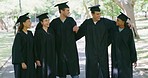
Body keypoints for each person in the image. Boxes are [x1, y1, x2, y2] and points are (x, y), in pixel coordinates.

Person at [76, 5, 115, 78]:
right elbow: (79, 33)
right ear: (92, 14)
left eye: (100, 13)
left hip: (102, 50)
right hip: (91, 51)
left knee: (103, 68)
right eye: (97, 14)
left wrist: (127, 24)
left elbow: (116, 25)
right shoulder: (87, 23)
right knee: (91, 69)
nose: (99, 15)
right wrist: (74, 31)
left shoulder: (105, 22)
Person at [50, 2, 80, 78]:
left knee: (74, 73)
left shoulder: (71, 21)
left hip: (71, 51)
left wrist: (76, 31)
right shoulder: (54, 22)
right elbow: (51, 36)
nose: (69, 12)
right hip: (60, 51)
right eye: (67, 10)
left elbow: (76, 36)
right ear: (61, 11)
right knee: (61, 72)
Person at [111, 12, 137, 78]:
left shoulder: (128, 32)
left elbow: (132, 45)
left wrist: (134, 59)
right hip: (116, 56)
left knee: (126, 74)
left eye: (118, 20)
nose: (116, 21)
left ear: (123, 22)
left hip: (126, 58)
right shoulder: (114, 30)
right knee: (116, 74)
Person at [12, 13, 36, 78]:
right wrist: (22, 62)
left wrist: (36, 59)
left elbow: (33, 47)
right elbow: (17, 50)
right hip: (23, 61)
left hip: (30, 60)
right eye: (28, 22)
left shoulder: (30, 33)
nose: (30, 23)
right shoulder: (19, 35)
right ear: (23, 23)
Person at [34, 13, 56, 78]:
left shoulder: (51, 31)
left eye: (48, 20)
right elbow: (35, 47)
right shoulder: (38, 33)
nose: (48, 22)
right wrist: (37, 59)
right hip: (42, 58)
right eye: (46, 20)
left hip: (51, 57)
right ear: (41, 22)